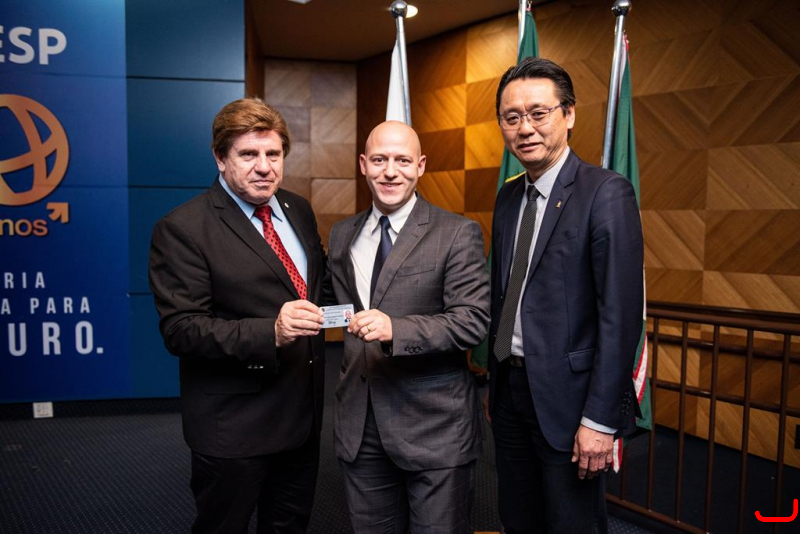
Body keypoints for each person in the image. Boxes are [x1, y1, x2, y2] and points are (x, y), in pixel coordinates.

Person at [149, 97, 328, 533]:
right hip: (234, 426)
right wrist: (272, 331)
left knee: (289, 526)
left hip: (301, 419)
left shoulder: (298, 209)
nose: (264, 167)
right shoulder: (183, 228)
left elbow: (314, 288)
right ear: (220, 157)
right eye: (248, 154)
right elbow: (181, 329)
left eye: (273, 154)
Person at [485, 57, 644, 533]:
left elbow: (620, 317)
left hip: (571, 402)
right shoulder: (508, 196)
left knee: (571, 524)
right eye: (512, 117)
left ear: (569, 114)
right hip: (510, 391)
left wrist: (599, 419)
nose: (525, 128)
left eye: (539, 113)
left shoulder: (605, 192)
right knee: (518, 519)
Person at [327, 120, 490, 533]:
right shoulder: (342, 235)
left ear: (420, 166)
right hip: (360, 426)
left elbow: (472, 322)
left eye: (402, 161)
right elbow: (337, 305)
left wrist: (396, 330)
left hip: (435, 427)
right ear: (363, 164)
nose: (390, 171)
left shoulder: (457, 233)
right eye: (379, 160)